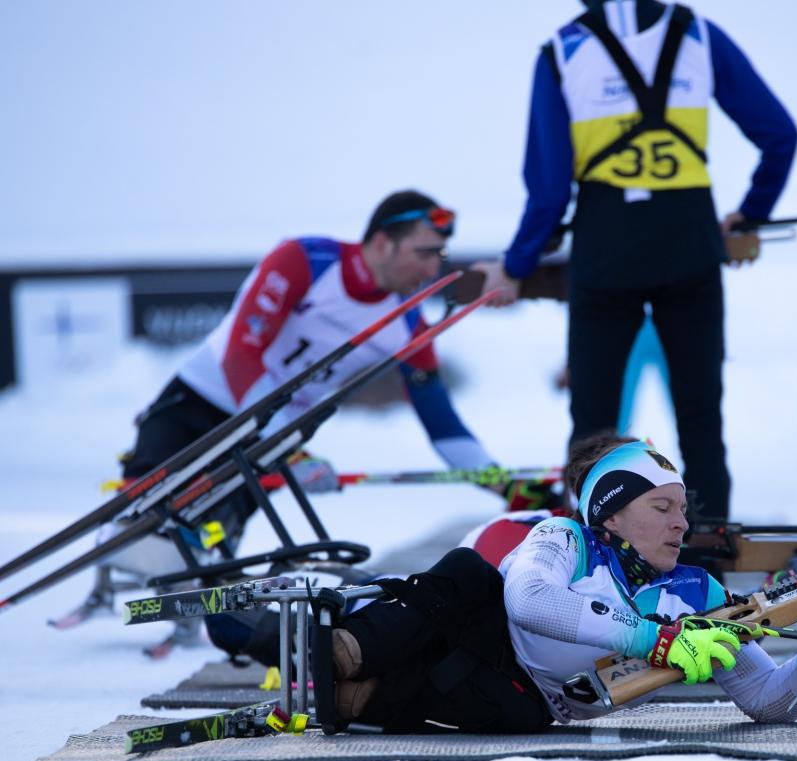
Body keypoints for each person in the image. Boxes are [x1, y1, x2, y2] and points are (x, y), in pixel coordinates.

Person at [60, 191, 504, 643]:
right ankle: (127, 566)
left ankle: (206, 601)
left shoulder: (408, 325)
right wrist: (290, 452)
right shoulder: (304, 261)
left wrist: (503, 482)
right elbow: (241, 356)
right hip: (203, 403)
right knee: (140, 533)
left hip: (271, 441)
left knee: (199, 545)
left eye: (440, 256)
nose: (433, 269)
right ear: (382, 242)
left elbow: (443, 423)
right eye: (425, 253)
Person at [474, 0, 797, 520]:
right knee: (700, 420)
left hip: (606, 246)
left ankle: (592, 551)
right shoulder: (699, 35)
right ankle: (709, 547)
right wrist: (750, 216)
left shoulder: (561, 50)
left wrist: (515, 265)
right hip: (689, 237)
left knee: (593, 428)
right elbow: (781, 137)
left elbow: (550, 190)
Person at [326, 435, 797, 733]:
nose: (681, 523)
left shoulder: (701, 596)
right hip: (466, 635)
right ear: (610, 517)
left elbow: (769, 703)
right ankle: (337, 654)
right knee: (467, 573)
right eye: (662, 506)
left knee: (521, 717)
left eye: (683, 509)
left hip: (516, 704)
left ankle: (354, 698)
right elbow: (528, 600)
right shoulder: (565, 538)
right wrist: (656, 640)